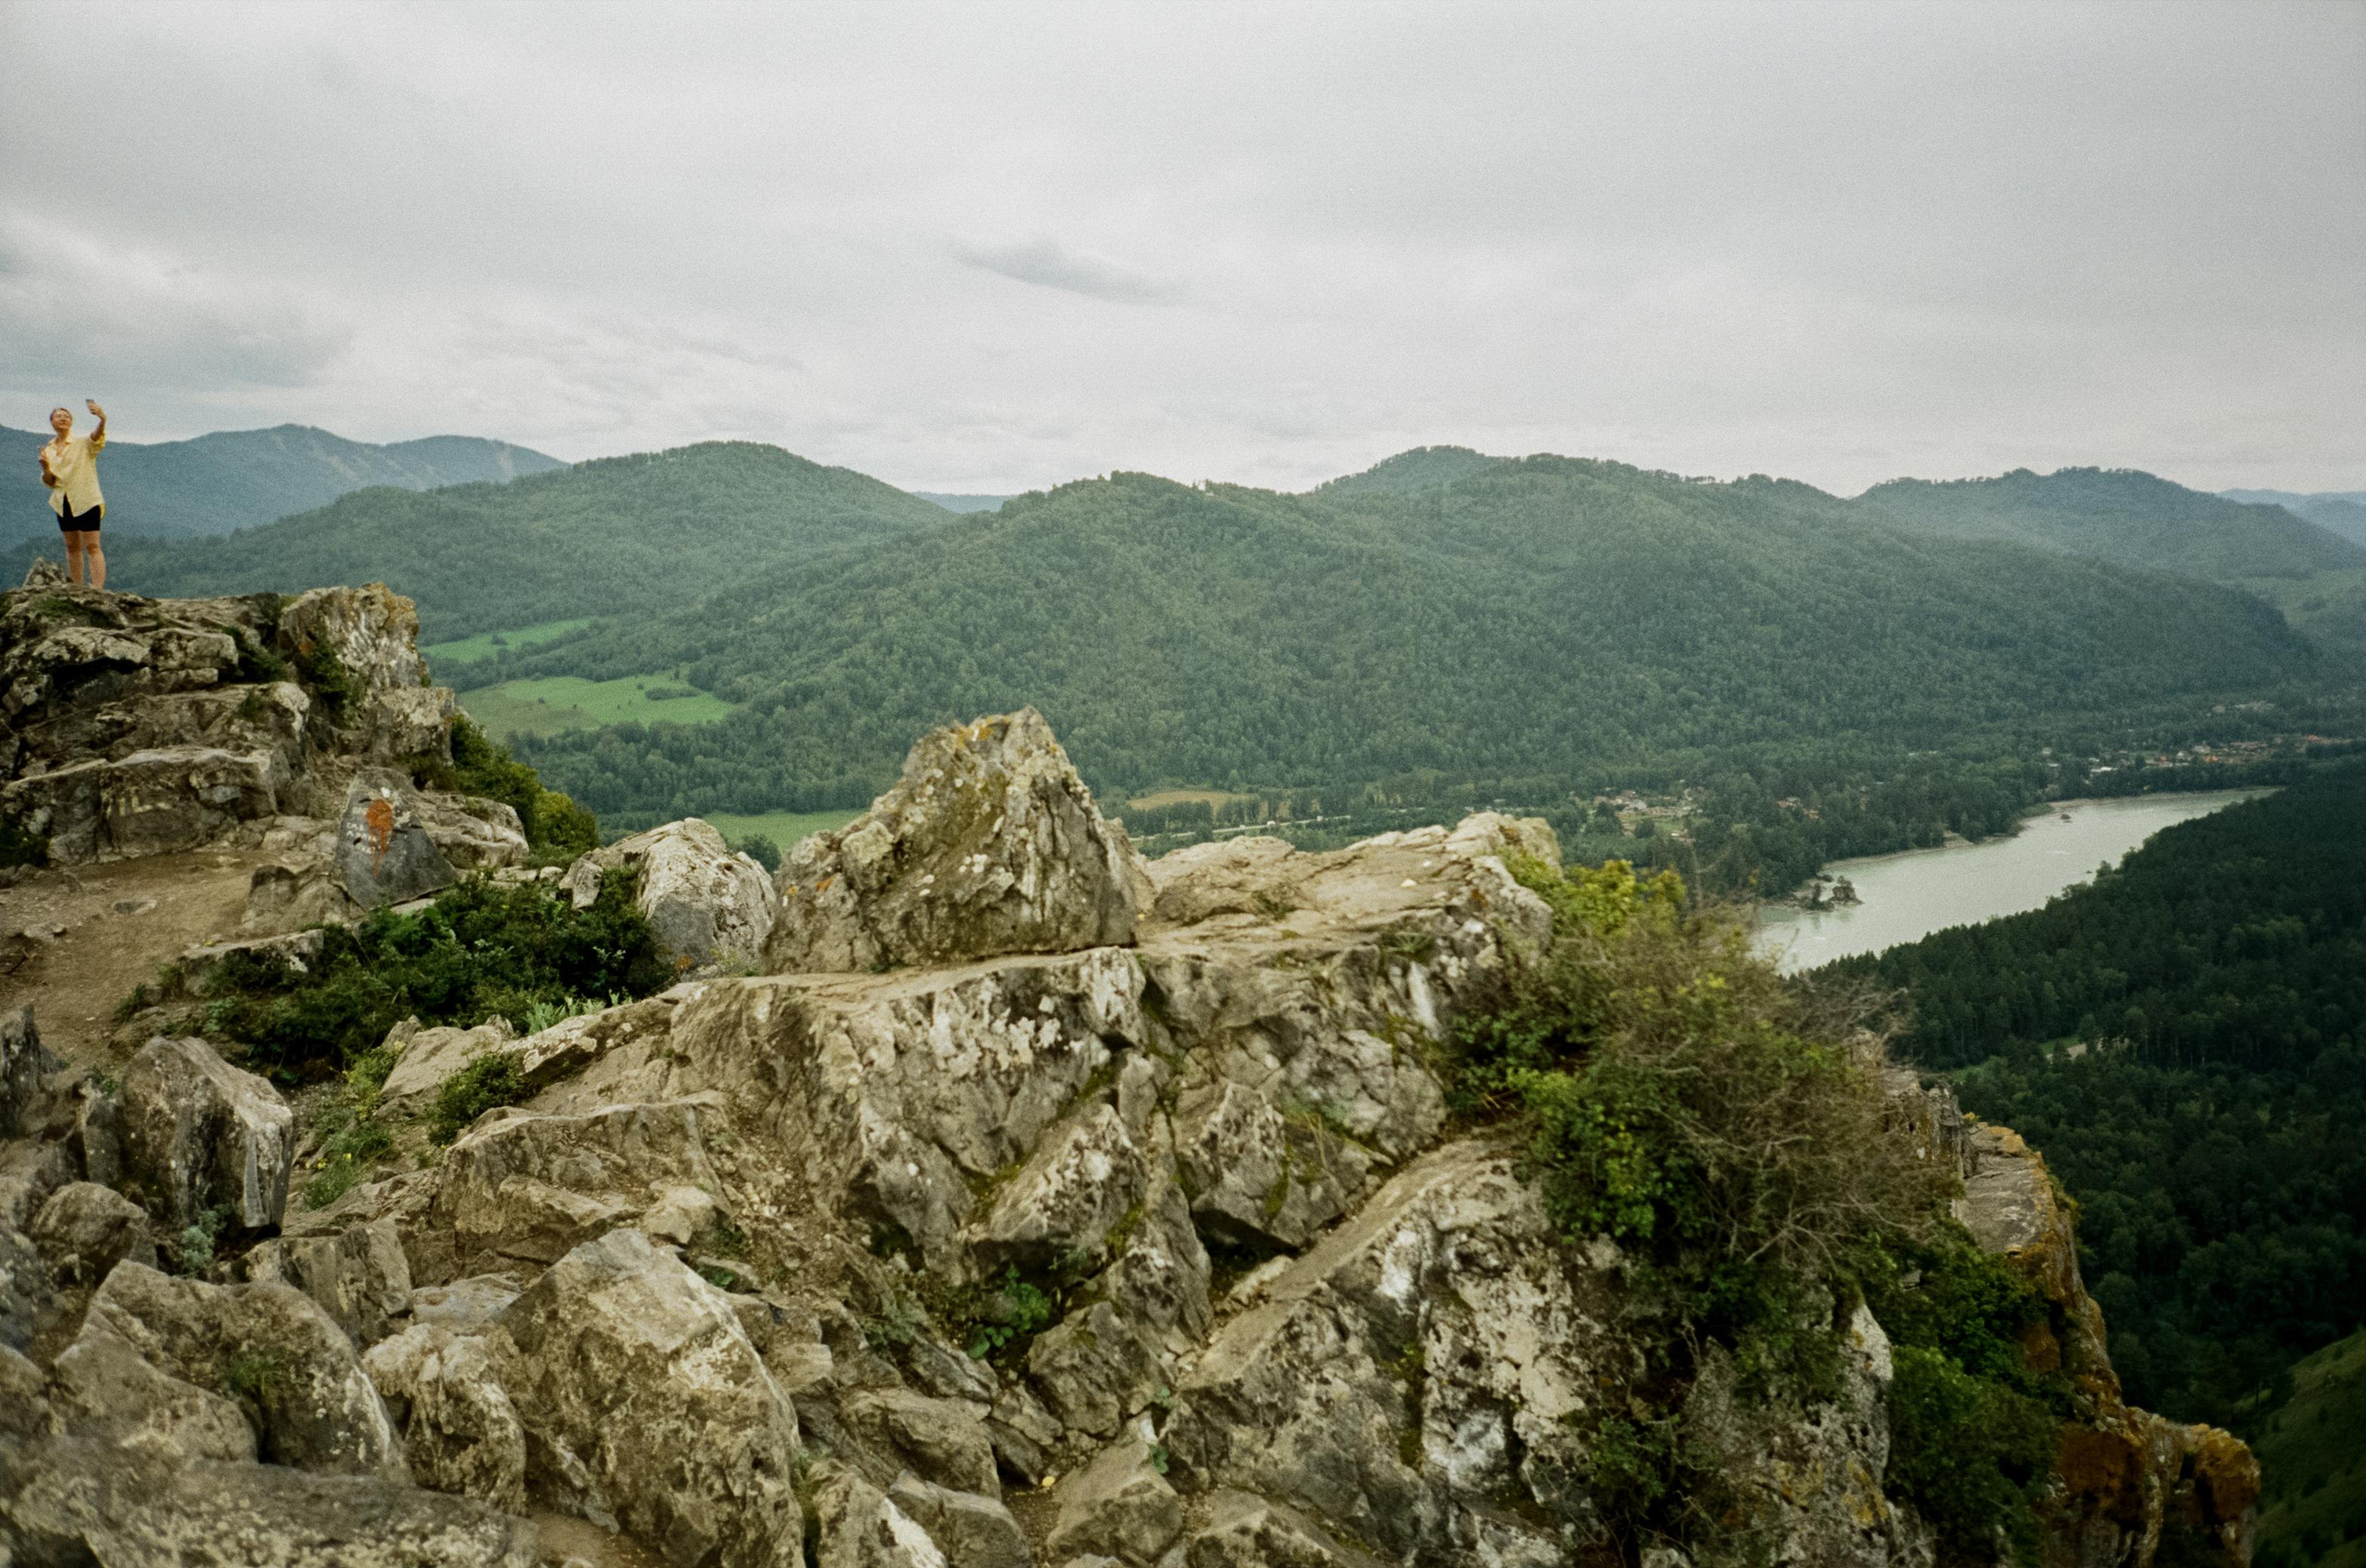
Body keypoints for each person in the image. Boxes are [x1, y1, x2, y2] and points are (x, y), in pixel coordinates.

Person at [39, 399, 108, 589]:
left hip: (86, 498)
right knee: (72, 546)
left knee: (92, 545)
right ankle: (77, 586)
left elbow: (96, 436)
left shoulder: (81, 442)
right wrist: (45, 468)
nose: (63, 418)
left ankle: (97, 587)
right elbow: (50, 482)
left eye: (67, 415)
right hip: (62, 501)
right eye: (59, 415)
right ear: (52, 421)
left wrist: (102, 419)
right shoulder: (48, 449)